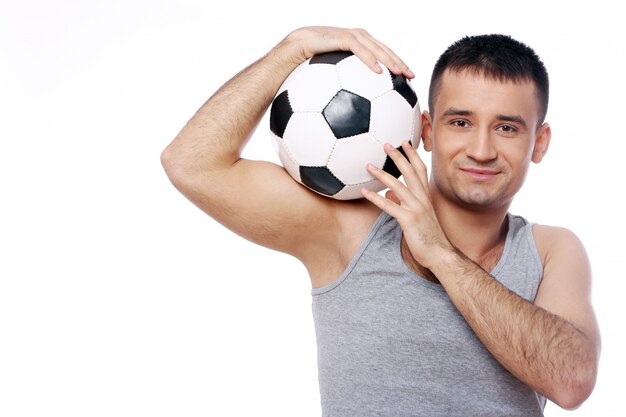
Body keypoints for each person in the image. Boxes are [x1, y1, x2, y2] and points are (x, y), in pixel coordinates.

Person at [160, 27, 600, 416]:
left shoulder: (550, 250)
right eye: (460, 122)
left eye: (507, 128)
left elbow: (572, 381)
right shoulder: (349, 230)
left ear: (539, 142)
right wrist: (291, 50)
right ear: (426, 129)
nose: (481, 149)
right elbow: (190, 164)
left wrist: (440, 254)